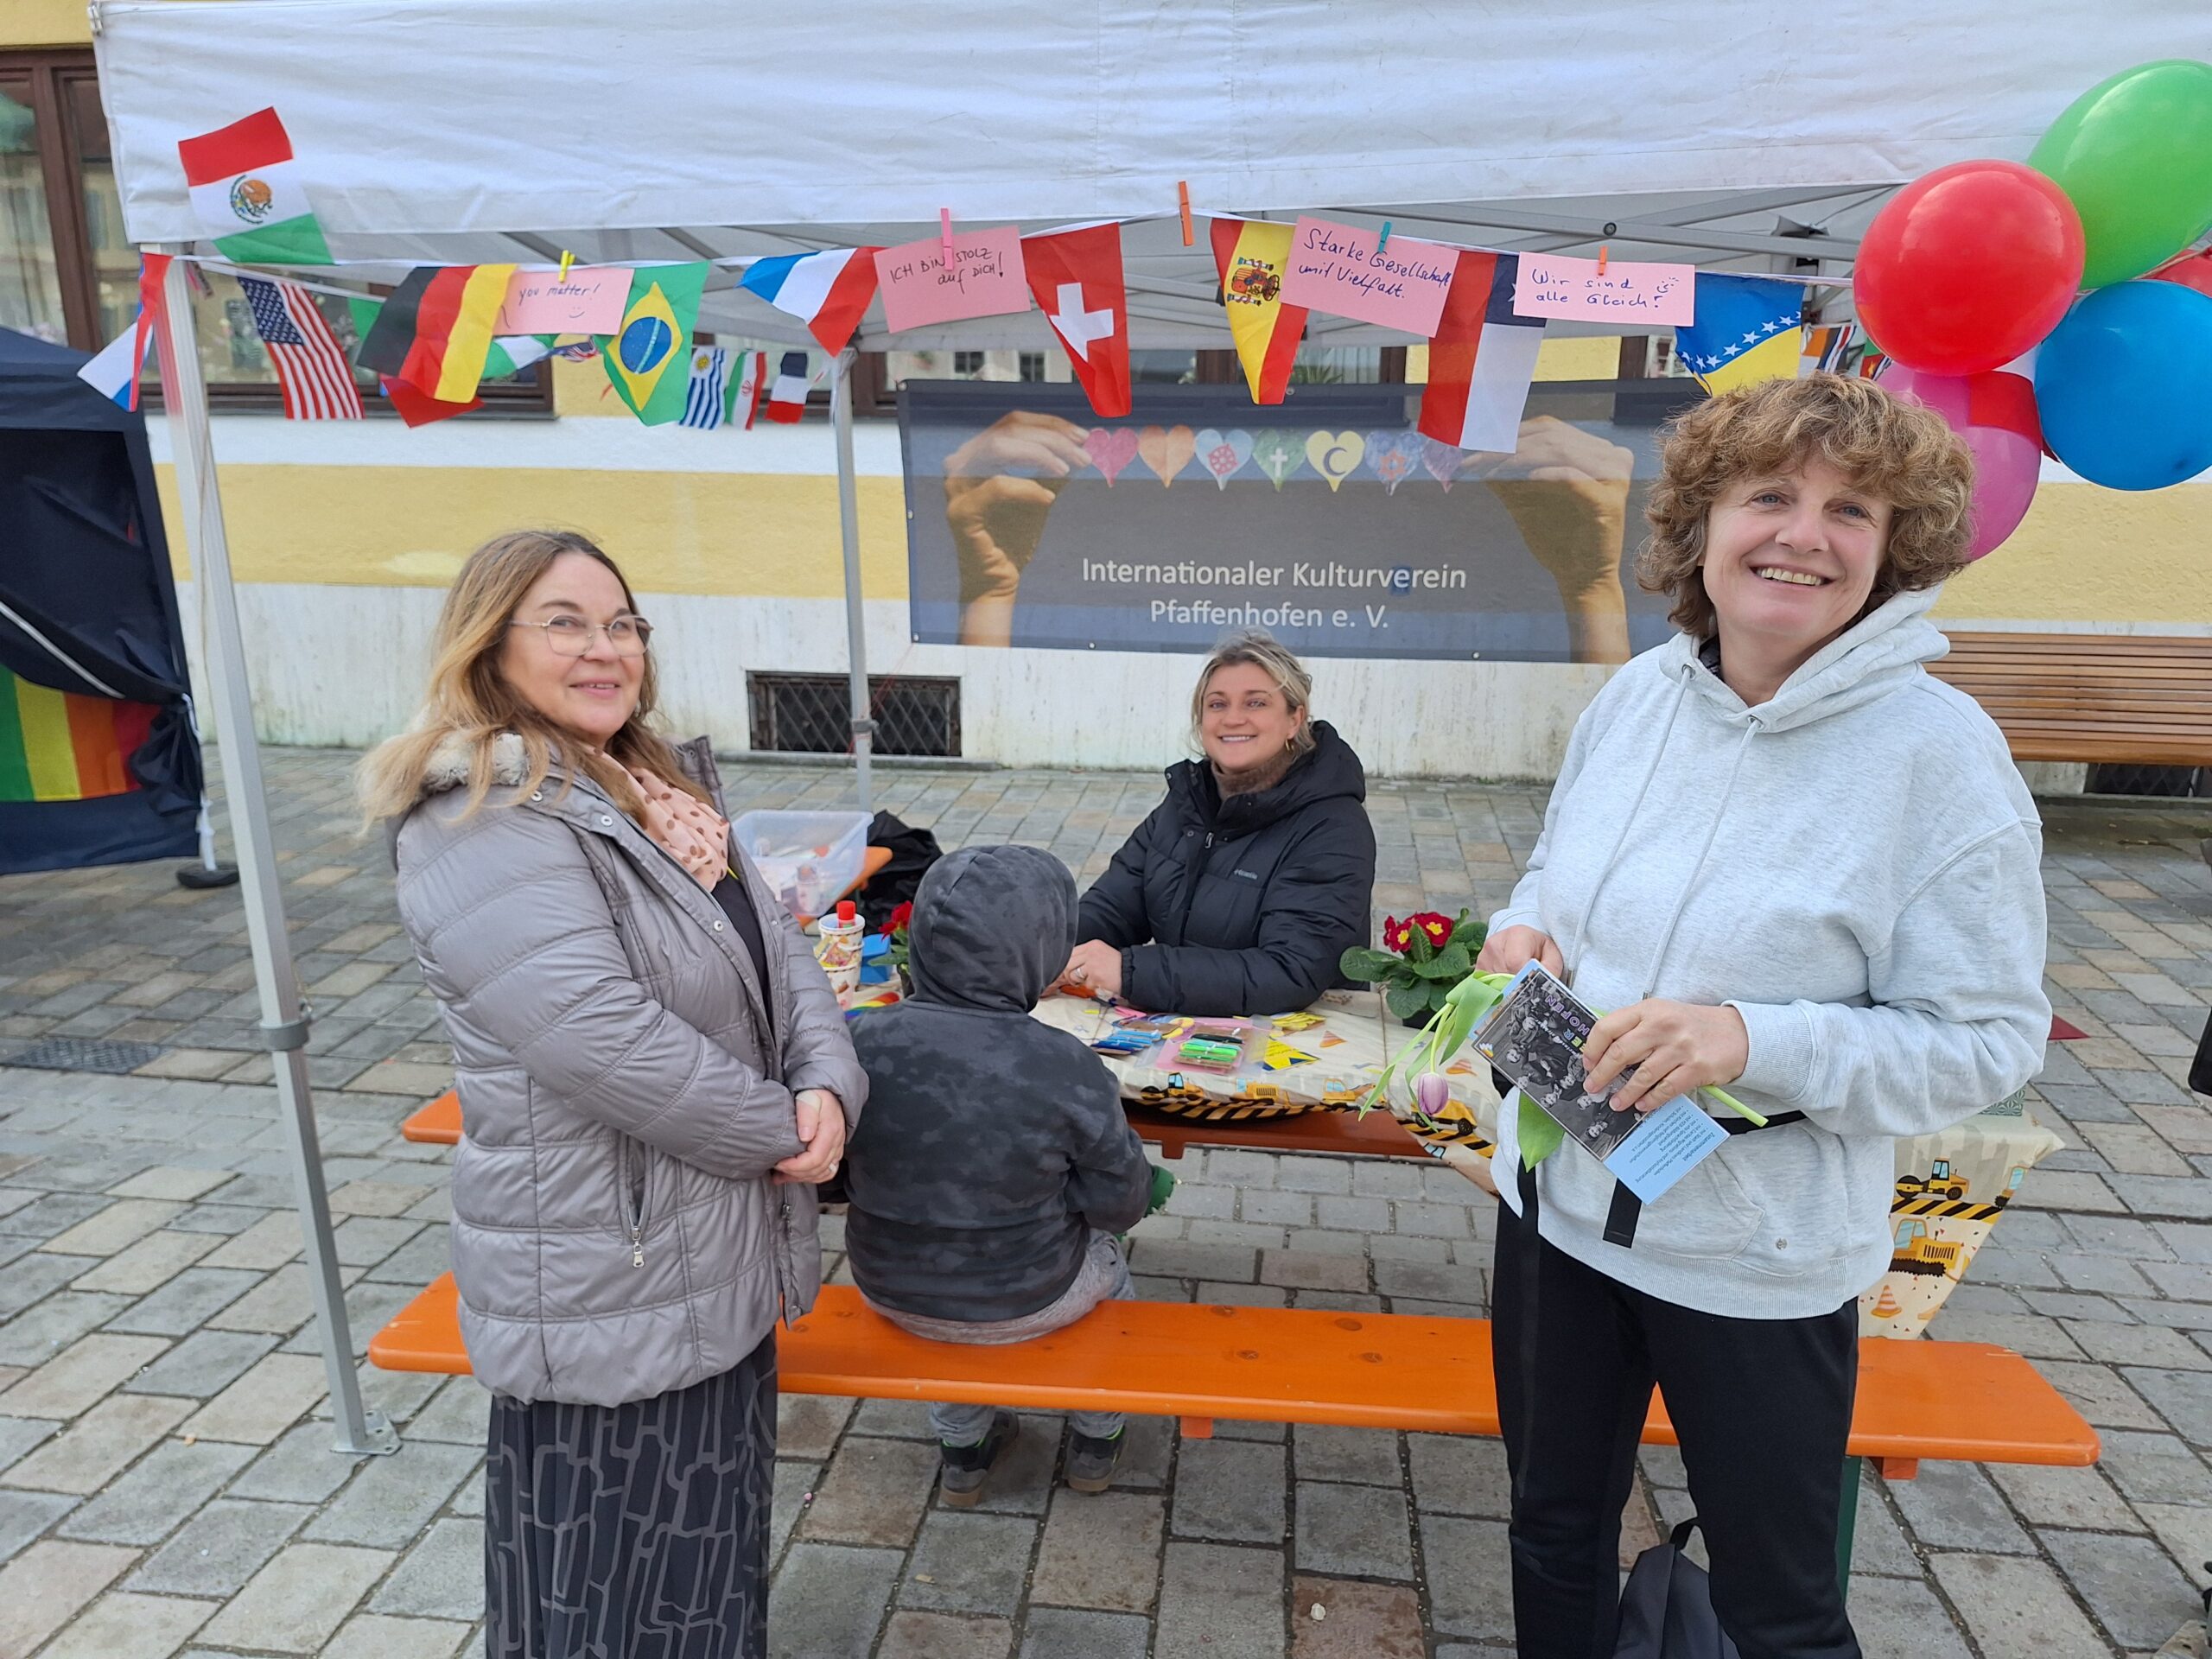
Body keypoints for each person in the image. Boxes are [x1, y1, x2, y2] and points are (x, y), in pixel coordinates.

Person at [1474, 374, 2049, 1659]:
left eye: (1852, 510)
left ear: (1894, 551)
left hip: (1755, 1257)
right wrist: (1525, 933)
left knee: (1778, 1608)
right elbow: (1552, 871)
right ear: (1703, 522)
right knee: (1549, 1531)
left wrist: (1751, 1036)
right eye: (1770, 496)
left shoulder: (1940, 758)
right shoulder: (1636, 697)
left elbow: (1989, 1041)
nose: (1803, 534)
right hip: (1556, 1206)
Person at [358, 529, 865, 1659]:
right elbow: (600, 1036)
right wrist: (781, 1127)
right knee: (604, 1600)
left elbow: (780, 952)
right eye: (566, 623)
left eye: (622, 623)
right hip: (606, 1279)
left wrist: (829, 1086)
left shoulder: (655, 791)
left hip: (712, 1253)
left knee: (705, 1579)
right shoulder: (481, 817)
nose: (606, 648)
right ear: (490, 647)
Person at [842, 843, 1163, 1503]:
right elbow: (1121, 1203)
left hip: (887, 1284)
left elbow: (831, 1174)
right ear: (1042, 950)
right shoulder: (1065, 1064)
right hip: (1027, 1294)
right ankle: (1097, 1435)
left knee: (957, 1287)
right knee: (1111, 1264)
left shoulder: (858, 1040)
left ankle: (965, 1448)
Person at [1066, 631, 1376, 1016]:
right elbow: (1113, 907)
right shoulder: (1190, 801)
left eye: (1256, 702)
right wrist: (1044, 954)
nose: (1233, 718)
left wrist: (1129, 972)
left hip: (1303, 1034)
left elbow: (1290, 970)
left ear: (1294, 720)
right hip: (1188, 1022)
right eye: (1217, 704)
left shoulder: (1333, 827)